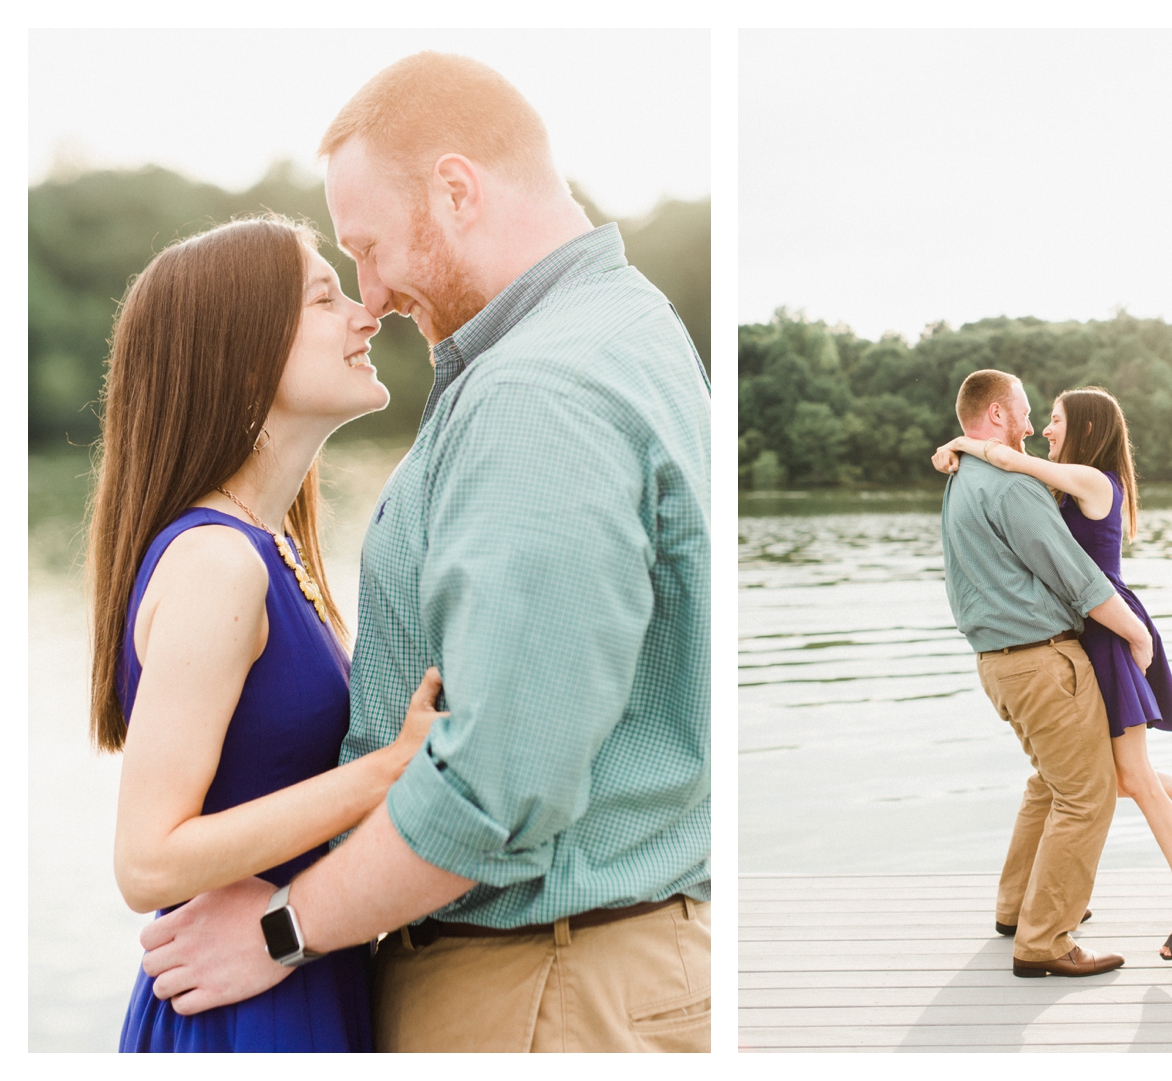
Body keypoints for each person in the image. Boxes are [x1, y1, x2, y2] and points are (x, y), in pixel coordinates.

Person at [135, 52, 711, 1052]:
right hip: (550, 979)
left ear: (455, 189)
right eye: (332, 283)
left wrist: (284, 930)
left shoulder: (537, 393)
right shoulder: (622, 333)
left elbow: (493, 785)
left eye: (365, 247)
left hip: (542, 990)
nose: (372, 294)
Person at [89, 216, 449, 1051]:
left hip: (295, 969)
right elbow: (146, 860)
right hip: (251, 1011)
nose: (367, 314)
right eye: (326, 297)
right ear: (246, 359)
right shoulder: (218, 562)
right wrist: (392, 768)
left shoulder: (274, 547)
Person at [934, 384, 1172, 960]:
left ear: (1085, 430)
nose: (1043, 428)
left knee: (1123, 777)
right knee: (1107, 777)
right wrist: (958, 450)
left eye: (1055, 420)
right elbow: (1012, 469)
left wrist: (959, 444)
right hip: (1094, 631)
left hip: (1109, 631)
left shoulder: (1091, 481)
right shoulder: (1055, 481)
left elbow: (1009, 458)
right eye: (1039, 417)